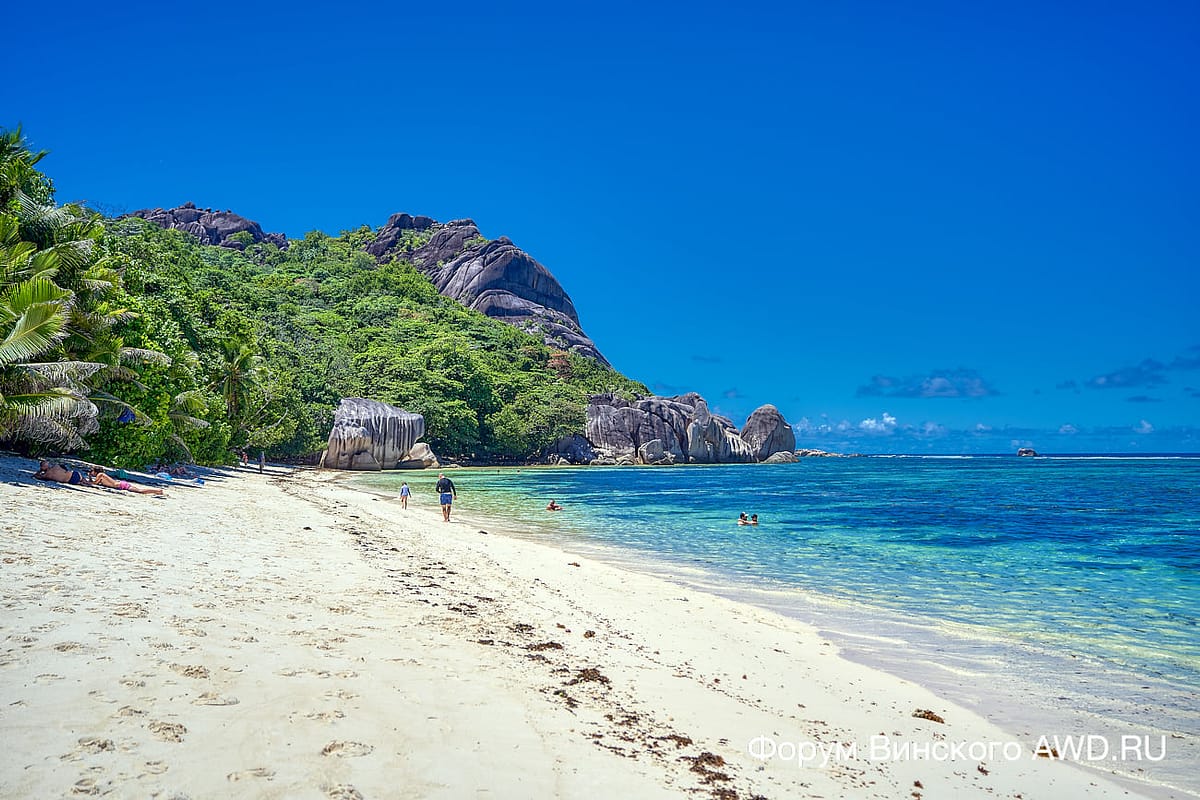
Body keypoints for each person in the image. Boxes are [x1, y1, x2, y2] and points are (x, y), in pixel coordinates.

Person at [88, 467, 164, 496]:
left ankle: (158, 490)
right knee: (139, 490)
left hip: (121, 485)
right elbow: (95, 482)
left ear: (95, 471)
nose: (91, 472)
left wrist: (88, 478)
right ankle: (157, 492)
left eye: (91, 471)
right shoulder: (101, 475)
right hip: (121, 484)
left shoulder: (100, 474)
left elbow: (95, 483)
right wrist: (90, 478)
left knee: (140, 491)